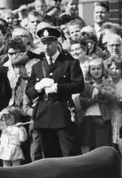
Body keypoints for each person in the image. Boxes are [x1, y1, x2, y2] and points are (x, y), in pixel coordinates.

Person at [25, 23, 83, 158]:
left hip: (61, 112)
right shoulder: (38, 66)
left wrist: (58, 87)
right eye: (43, 43)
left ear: (56, 42)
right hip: (43, 114)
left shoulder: (69, 63)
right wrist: (38, 87)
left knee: (67, 152)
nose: (46, 47)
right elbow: (29, 91)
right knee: (49, 154)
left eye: (49, 43)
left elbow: (79, 85)